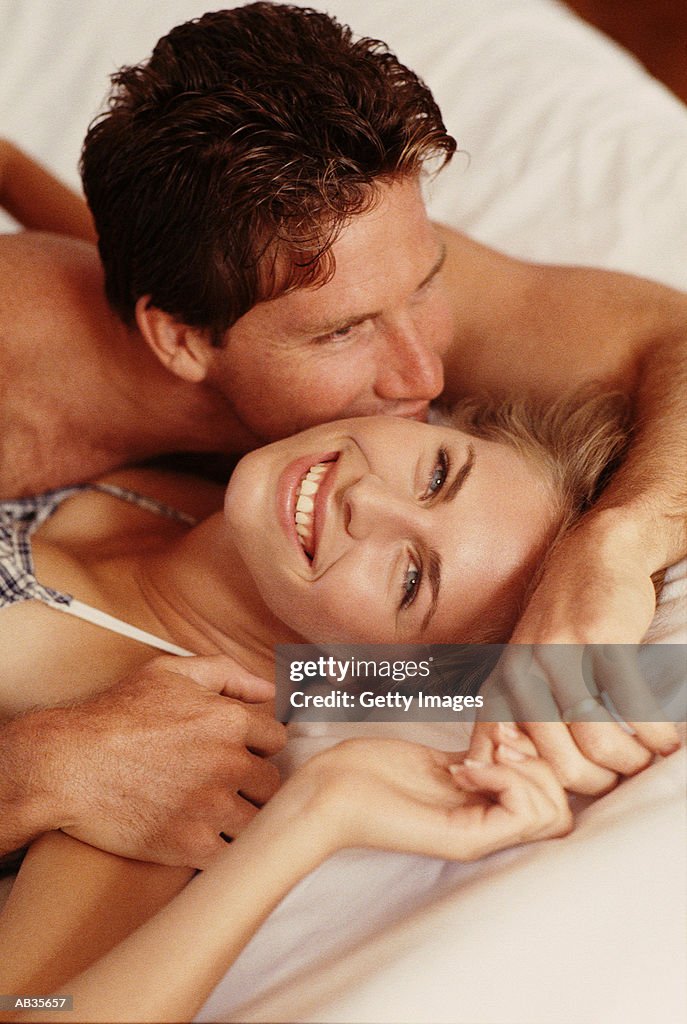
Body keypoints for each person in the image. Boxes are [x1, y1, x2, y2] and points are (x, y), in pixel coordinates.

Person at [0, 4, 684, 861]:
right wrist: (28, 773)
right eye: (341, 333)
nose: (423, 376)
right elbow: (48, 1007)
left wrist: (614, 545)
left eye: (425, 284)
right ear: (177, 337)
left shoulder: (350, 255)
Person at [0, 389, 642, 1019]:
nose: (365, 500)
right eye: (439, 473)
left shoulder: (177, 744)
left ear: (386, 676)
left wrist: (320, 811)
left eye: (411, 579)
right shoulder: (190, 474)